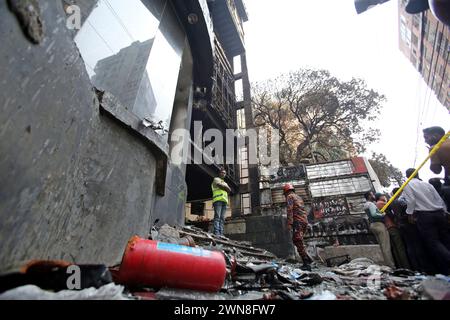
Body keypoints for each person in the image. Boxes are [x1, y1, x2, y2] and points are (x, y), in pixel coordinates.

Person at [402, 168, 450, 274]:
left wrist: (410, 213)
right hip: (438, 213)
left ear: (407, 176)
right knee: (445, 238)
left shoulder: (408, 185)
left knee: (433, 242)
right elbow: (438, 199)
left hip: (424, 215)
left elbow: (411, 201)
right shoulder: (427, 184)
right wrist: (445, 211)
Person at [391, 188, 436, 274]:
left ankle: (415, 267)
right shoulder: (402, 200)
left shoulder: (392, 202)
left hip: (401, 225)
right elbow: (408, 210)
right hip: (408, 224)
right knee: (417, 245)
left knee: (410, 246)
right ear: (399, 192)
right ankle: (424, 267)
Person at [375, 193, 410, 269]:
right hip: (392, 226)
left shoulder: (376, 205)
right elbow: (391, 213)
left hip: (387, 228)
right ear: (380, 197)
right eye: (383, 196)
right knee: (400, 247)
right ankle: (406, 266)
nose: (384, 197)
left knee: (395, 249)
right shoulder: (382, 203)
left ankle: (400, 267)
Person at [284, 183, 313, 271]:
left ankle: (306, 263)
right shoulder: (299, 197)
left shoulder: (290, 197)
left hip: (297, 222)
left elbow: (290, 210)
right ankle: (308, 259)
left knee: (297, 240)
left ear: (286, 192)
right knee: (299, 240)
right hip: (304, 221)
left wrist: (289, 223)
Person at [364, 191, 395, 268]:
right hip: (378, 224)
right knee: (386, 246)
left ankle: (388, 264)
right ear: (369, 196)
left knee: (382, 246)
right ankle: (391, 265)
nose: (373, 196)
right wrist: (382, 214)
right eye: (372, 194)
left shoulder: (365, 205)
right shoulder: (371, 204)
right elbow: (374, 214)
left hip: (373, 225)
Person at [211, 168, 231, 236]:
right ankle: (217, 233)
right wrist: (226, 188)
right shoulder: (216, 179)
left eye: (224, 173)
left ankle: (221, 233)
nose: (223, 174)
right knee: (217, 216)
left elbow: (229, 190)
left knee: (222, 218)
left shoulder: (225, 183)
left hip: (224, 201)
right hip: (218, 200)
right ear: (219, 173)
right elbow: (220, 185)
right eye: (222, 172)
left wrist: (225, 187)